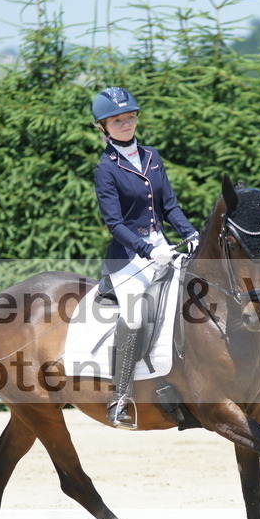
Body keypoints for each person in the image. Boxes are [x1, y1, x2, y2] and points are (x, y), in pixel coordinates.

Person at [92, 86, 199, 429]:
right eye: (117, 120)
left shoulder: (152, 156)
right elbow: (114, 224)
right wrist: (149, 249)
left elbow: (169, 206)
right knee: (137, 315)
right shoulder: (105, 169)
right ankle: (120, 397)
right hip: (127, 258)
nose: (126, 124)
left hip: (164, 248)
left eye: (130, 117)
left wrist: (190, 233)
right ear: (103, 127)